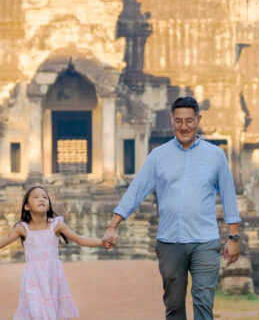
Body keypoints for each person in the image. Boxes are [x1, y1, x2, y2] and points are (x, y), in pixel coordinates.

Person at [102, 97, 240, 320]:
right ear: (171, 121)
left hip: (205, 240)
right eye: (178, 121)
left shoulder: (215, 155)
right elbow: (136, 190)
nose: (183, 126)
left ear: (198, 120)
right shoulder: (159, 156)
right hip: (169, 241)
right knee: (174, 305)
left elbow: (228, 195)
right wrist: (113, 225)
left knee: (204, 301)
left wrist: (234, 237)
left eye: (189, 121)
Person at [0, 185, 104, 319]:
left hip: (52, 277)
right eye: (36, 197)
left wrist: (102, 242)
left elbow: (80, 239)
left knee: (50, 313)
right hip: (33, 278)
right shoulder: (22, 228)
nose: (42, 199)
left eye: (45, 197)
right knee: (37, 311)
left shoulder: (56, 225)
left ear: (49, 205)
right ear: (27, 206)